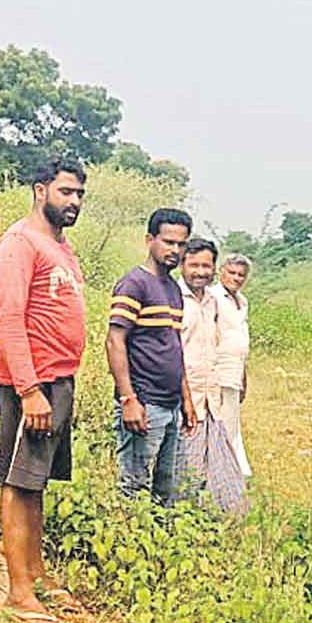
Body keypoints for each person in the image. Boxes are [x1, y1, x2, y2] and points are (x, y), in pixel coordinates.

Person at [0, 158, 88, 623]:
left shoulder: (61, 247)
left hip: (57, 381)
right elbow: (8, 317)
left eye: (80, 194)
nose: (74, 202)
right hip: (34, 386)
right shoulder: (19, 244)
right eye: (65, 192)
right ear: (40, 189)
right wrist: (27, 389)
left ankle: (38, 577)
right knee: (17, 481)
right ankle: (18, 592)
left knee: (36, 484)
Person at [106, 208, 198, 506]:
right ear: (150, 240)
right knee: (133, 488)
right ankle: (126, 546)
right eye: (168, 242)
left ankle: (156, 550)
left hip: (170, 406)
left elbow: (174, 346)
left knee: (165, 492)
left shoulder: (172, 288)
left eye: (181, 244)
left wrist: (186, 399)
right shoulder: (134, 284)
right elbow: (114, 341)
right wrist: (129, 400)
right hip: (144, 405)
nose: (175, 250)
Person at [176, 237, 248, 514]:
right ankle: (183, 522)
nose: (200, 271)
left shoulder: (211, 301)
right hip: (186, 398)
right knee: (185, 470)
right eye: (193, 265)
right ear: (182, 264)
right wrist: (185, 400)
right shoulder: (174, 297)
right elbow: (175, 352)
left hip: (211, 397)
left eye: (206, 265)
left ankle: (215, 521)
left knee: (221, 464)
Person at [211, 253, 254, 476]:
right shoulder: (213, 297)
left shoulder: (242, 301)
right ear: (221, 272)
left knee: (232, 422)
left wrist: (244, 375)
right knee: (222, 424)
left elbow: (240, 340)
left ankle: (233, 471)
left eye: (241, 275)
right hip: (219, 369)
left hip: (236, 369)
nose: (236, 278)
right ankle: (226, 474)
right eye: (232, 273)